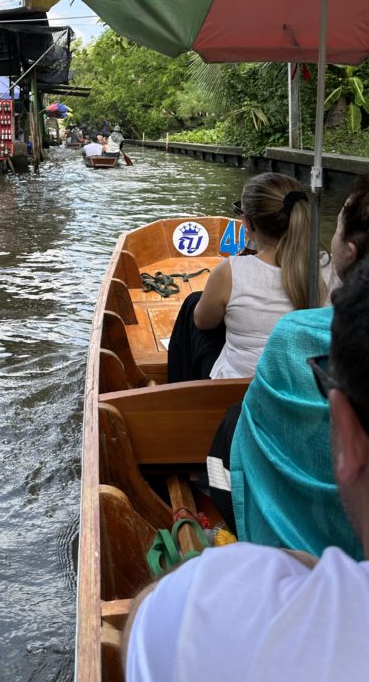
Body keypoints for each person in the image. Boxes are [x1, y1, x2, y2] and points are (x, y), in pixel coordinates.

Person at [124, 255, 369, 681]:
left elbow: (148, 617)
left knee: (232, 415)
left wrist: (284, 564)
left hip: (224, 414)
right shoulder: (314, 278)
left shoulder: (200, 609)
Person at [209, 175, 369, 559]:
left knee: (233, 420)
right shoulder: (321, 278)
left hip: (303, 543)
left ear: (349, 250)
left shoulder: (295, 334)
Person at [167, 172, 329, 383]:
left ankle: (182, 395)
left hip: (238, 388)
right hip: (303, 384)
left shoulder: (230, 271)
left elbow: (203, 322)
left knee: (193, 304)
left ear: (248, 222)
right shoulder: (327, 267)